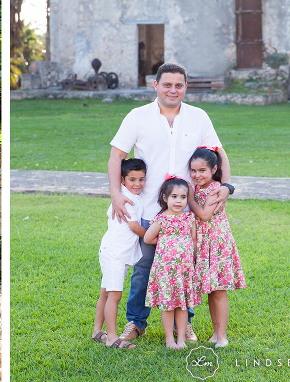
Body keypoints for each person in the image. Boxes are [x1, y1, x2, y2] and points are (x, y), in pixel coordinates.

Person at [106, 63, 235, 344]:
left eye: (179, 85)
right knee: (143, 268)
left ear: (185, 87)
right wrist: (116, 194)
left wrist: (227, 186)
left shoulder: (198, 117)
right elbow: (117, 156)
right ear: (156, 85)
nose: (173, 90)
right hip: (148, 211)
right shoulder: (137, 117)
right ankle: (136, 322)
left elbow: (219, 153)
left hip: (186, 214)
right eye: (167, 84)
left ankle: (185, 324)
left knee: (184, 268)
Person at [187, 147, 246, 347]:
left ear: (214, 169)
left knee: (219, 290)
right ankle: (214, 333)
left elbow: (204, 215)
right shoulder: (199, 188)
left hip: (216, 243)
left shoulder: (216, 189)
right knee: (211, 290)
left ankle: (222, 336)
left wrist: (189, 198)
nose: (197, 175)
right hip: (204, 243)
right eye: (193, 171)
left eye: (202, 170)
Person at [92, 159, 147, 349]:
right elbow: (134, 227)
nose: (137, 184)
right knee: (114, 295)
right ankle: (112, 338)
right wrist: (153, 238)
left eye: (141, 179)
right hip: (115, 252)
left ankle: (97, 331)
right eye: (132, 179)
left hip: (117, 253)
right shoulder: (126, 199)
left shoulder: (133, 196)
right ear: (122, 180)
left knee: (106, 293)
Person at [143, 177, 200, 350]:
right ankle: (169, 340)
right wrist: (166, 242)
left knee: (182, 304)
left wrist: (194, 260)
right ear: (165, 197)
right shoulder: (162, 219)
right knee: (168, 305)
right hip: (166, 270)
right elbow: (147, 238)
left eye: (183, 197)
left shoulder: (189, 218)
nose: (179, 201)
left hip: (184, 270)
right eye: (174, 196)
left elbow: (194, 240)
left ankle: (181, 338)